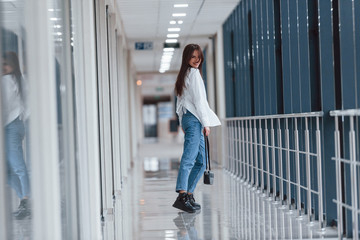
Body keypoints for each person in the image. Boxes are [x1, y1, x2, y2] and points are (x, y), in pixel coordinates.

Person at [172, 44, 221, 213]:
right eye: (193, 57)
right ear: (187, 58)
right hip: (194, 120)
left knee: (201, 161)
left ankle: (189, 194)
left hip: (189, 119)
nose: (197, 60)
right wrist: (205, 124)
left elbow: (179, 102)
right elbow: (200, 102)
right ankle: (182, 195)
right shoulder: (193, 74)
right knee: (190, 158)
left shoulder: (184, 75)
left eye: (199, 56)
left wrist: (181, 122)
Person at [2, 51, 31, 219]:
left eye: (5, 64)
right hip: (16, 124)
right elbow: (27, 104)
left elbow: (4, 106)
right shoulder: (20, 80)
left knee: (17, 165)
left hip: (11, 126)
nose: (2, 67)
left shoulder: (6, 81)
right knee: (10, 168)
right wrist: (22, 116)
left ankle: (26, 199)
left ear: (12, 65)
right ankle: (26, 200)